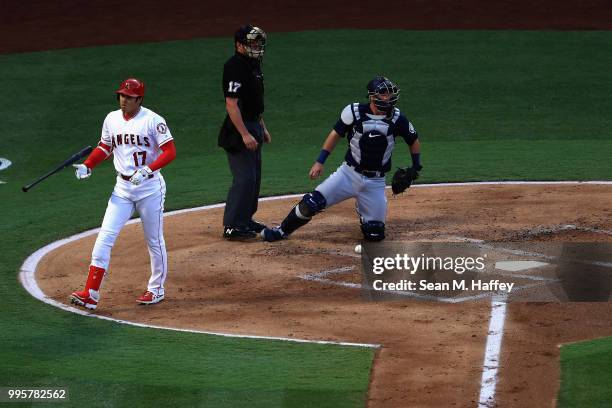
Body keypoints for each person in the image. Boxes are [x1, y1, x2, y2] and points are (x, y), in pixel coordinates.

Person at [261, 76, 422, 242]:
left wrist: (416, 167)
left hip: (375, 182)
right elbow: (335, 135)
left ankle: (364, 209)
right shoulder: (354, 112)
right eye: (383, 93)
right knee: (311, 204)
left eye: (390, 94)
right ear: (372, 96)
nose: (388, 97)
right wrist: (320, 161)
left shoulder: (398, 118)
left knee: (375, 234)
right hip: (348, 175)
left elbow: (413, 140)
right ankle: (280, 231)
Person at [69, 78, 176, 310]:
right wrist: (89, 165)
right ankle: (91, 293)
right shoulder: (111, 119)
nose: (123, 100)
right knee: (104, 237)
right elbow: (105, 147)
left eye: (129, 97)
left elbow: (170, 152)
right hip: (122, 189)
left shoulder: (153, 121)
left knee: (154, 240)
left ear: (139, 99)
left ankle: (156, 289)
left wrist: (148, 170)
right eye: (121, 95)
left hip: (150, 189)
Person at [218, 24, 272, 240]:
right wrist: (245, 134)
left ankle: (245, 219)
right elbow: (232, 104)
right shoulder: (234, 66)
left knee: (255, 177)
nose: (257, 46)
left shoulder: (253, 64)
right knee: (245, 179)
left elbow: (254, 102)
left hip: (253, 124)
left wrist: (262, 127)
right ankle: (232, 225)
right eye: (252, 43)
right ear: (239, 45)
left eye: (259, 42)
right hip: (238, 128)